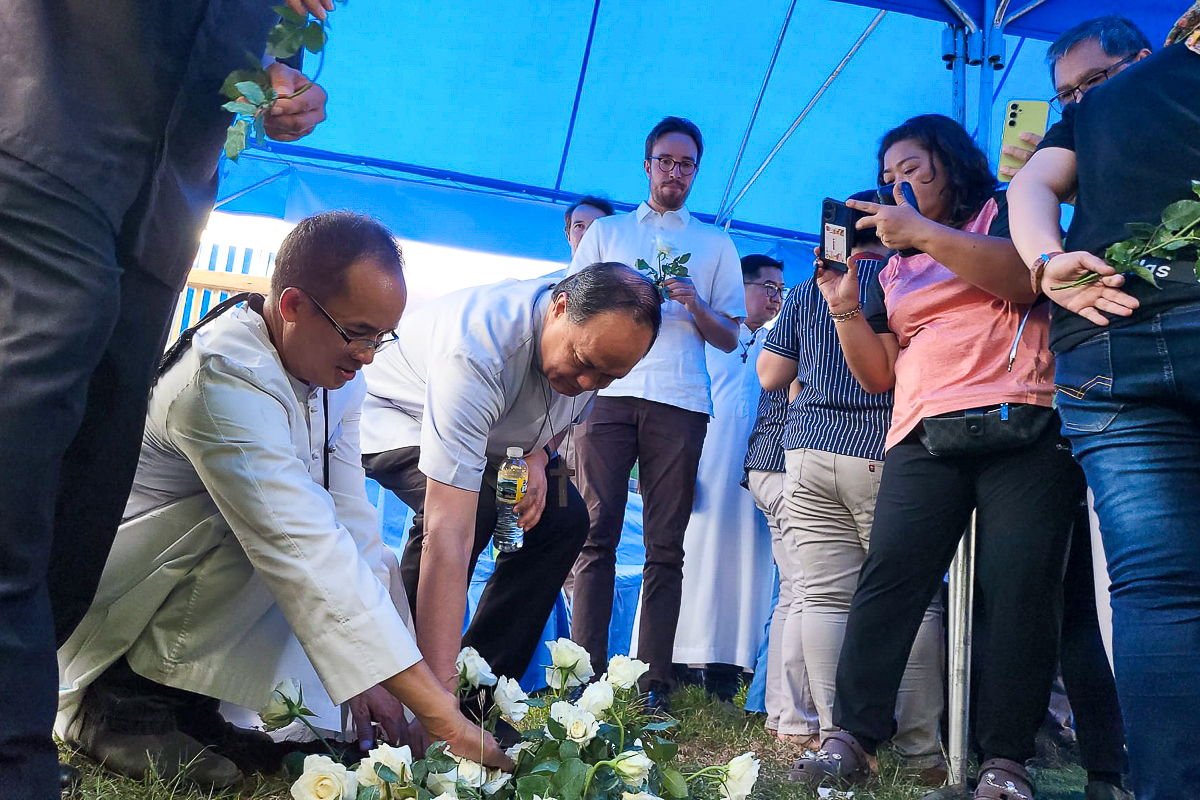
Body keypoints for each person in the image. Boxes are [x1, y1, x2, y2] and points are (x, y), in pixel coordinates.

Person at [0, 2, 330, 796]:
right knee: (19, 461)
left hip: (164, 210)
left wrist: (269, 85)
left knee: (83, 501)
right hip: (46, 141)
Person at [56, 213, 508, 788]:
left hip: (193, 578)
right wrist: (444, 717)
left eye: (381, 337)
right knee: (269, 532)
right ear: (292, 305)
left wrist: (378, 673)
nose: (368, 355)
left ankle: (192, 711)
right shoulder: (224, 375)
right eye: (357, 332)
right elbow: (301, 546)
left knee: (347, 549)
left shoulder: (337, 376)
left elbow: (351, 521)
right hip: (118, 583)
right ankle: (121, 707)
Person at [789, 114, 1084, 800]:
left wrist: (921, 230)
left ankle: (1004, 760)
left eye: (913, 169)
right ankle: (853, 738)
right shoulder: (895, 263)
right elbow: (879, 376)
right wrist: (843, 306)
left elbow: (1023, 281)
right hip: (924, 431)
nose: (899, 185)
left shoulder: (1007, 211)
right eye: (889, 176)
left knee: (1017, 589)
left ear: (951, 163)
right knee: (889, 580)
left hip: (1023, 416)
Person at [1007, 6, 1200, 795]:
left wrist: (1046, 261)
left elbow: (1030, 184)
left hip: (1103, 346)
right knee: (1157, 589)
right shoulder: (1120, 99)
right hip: (1127, 334)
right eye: (1069, 92)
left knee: (1156, 590)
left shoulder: (1101, 114)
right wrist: (1049, 260)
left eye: (1093, 81)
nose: (1081, 99)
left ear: (1146, 53)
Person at [361, 263, 661, 697]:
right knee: (477, 510)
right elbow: (448, 535)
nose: (586, 384)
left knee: (565, 519)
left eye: (608, 378)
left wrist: (540, 458)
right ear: (560, 308)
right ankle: (404, 686)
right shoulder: (478, 348)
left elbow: (563, 418)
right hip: (404, 417)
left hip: (511, 448)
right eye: (582, 363)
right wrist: (432, 701)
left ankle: (480, 690)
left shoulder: (595, 348)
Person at [758, 214, 945, 785]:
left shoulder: (809, 289)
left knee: (821, 599)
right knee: (911, 602)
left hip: (808, 453)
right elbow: (884, 375)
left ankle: (840, 739)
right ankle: (917, 752)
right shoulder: (899, 277)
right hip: (883, 451)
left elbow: (770, 373)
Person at [568, 117, 746, 711]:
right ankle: (584, 677)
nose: (676, 173)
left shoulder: (717, 244)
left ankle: (654, 685)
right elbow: (569, 313)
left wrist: (694, 301)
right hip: (608, 392)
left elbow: (729, 339)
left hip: (681, 398)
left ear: (696, 172)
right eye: (666, 162)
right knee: (594, 534)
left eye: (687, 165)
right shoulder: (608, 233)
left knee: (666, 545)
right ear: (647, 165)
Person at [671, 254, 785, 702]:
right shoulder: (702, 336)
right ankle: (676, 660)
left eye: (781, 289)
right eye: (768, 288)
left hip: (753, 473)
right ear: (741, 288)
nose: (776, 297)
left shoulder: (781, 345)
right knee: (689, 560)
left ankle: (732, 665)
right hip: (700, 467)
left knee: (748, 567)